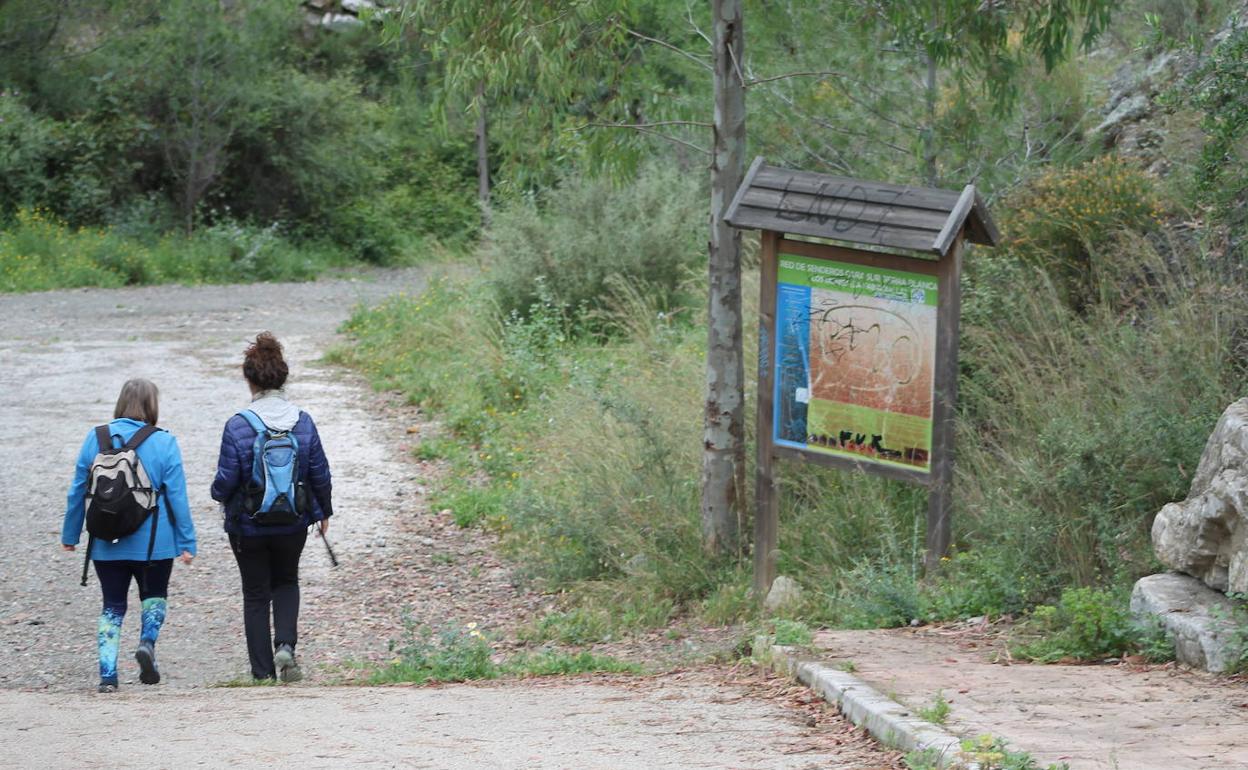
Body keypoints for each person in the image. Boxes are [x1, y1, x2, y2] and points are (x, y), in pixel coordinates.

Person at [211, 332, 332, 682]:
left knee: (255, 594)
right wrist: (324, 510)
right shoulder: (303, 421)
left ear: (249, 380)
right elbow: (319, 472)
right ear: (284, 377)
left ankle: (262, 674)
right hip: (293, 522)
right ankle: (287, 646)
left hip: (247, 526)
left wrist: (215, 492)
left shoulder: (237, 425)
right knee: (286, 581)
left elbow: (225, 482)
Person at [62, 378, 197, 693]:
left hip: (105, 540)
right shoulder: (164, 442)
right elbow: (178, 497)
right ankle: (147, 644)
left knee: (112, 605)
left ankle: (108, 675)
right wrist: (187, 543)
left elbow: (77, 492)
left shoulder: (94, 438)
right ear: (152, 405)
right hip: (155, 541)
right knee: (154, 596)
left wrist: (71, 534)